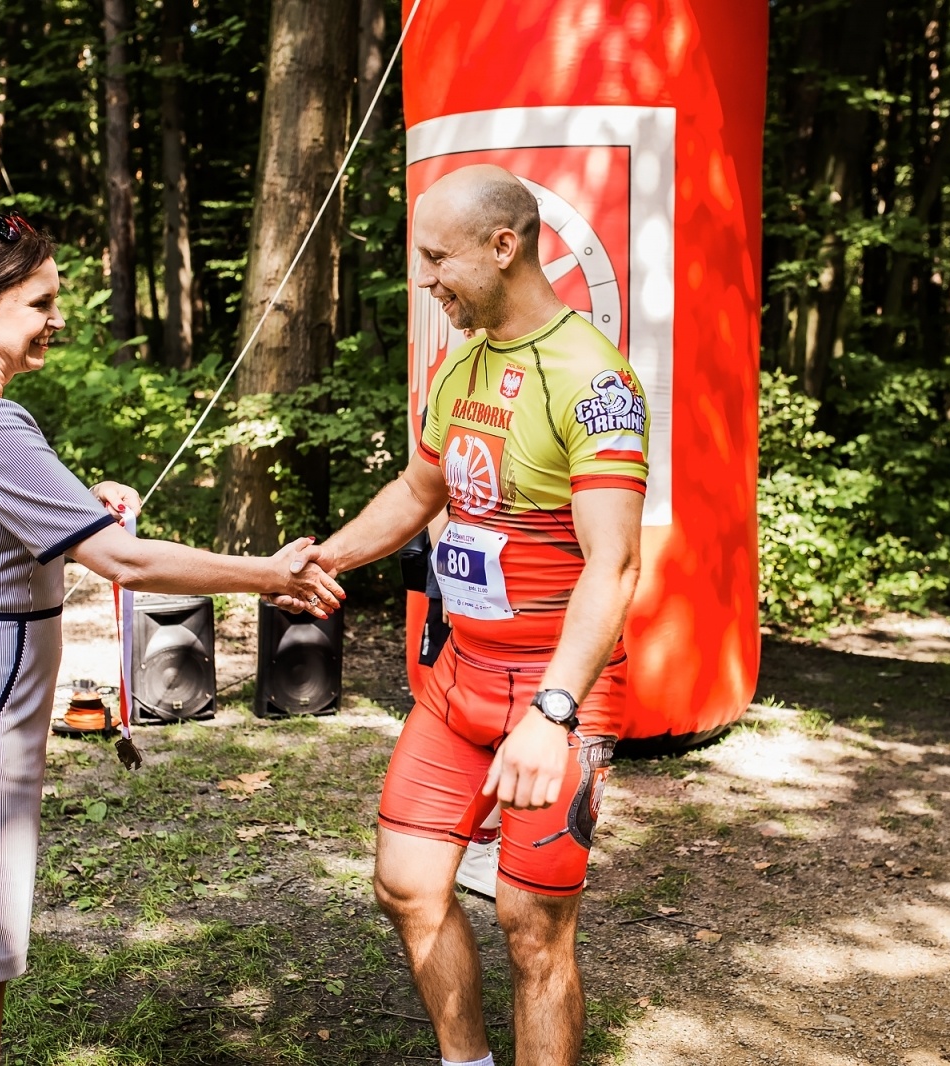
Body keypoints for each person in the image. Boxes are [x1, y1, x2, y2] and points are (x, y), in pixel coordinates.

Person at [0, 211, 343, 1065]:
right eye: (40, 302)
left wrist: (73, 509)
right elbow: (125, 561)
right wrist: (270, 575)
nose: (57, 317)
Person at [308, 164, 649, 1066]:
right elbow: (420, 489)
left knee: (532, 926)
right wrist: (325, 556)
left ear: (505, 247)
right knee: (407, 883)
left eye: (436, 258)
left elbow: (614, 566)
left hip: (555, 697)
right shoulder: (456, 362)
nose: (426, 280)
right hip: (459, 682)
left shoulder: (594, 381)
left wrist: (553, 717)